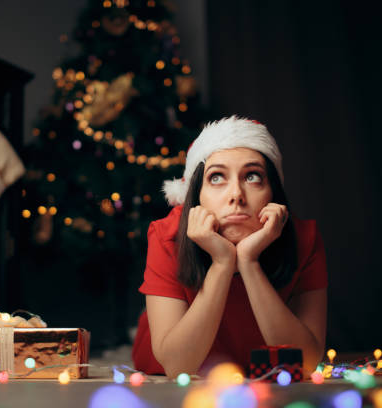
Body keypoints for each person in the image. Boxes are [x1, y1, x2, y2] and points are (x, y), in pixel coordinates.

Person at [131, 116, 327, 379]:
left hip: (261, 379)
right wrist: (222, 263)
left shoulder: (304, 238)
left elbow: (306, 363)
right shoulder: (168, 236)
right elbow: (178, 367)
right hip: (175, 384)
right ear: (196, 195)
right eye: (216, 178)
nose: (236, 194)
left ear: (273, 194)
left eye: (253, 176)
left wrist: (248, 261)